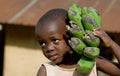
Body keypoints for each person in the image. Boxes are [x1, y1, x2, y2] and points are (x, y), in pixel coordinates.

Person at [35, 8, 120, 76]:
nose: (49, 48)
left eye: (55, 40)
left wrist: (111, 44)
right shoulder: (46, 71)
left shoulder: (92, 62)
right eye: (42, 43)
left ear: (71, 36)